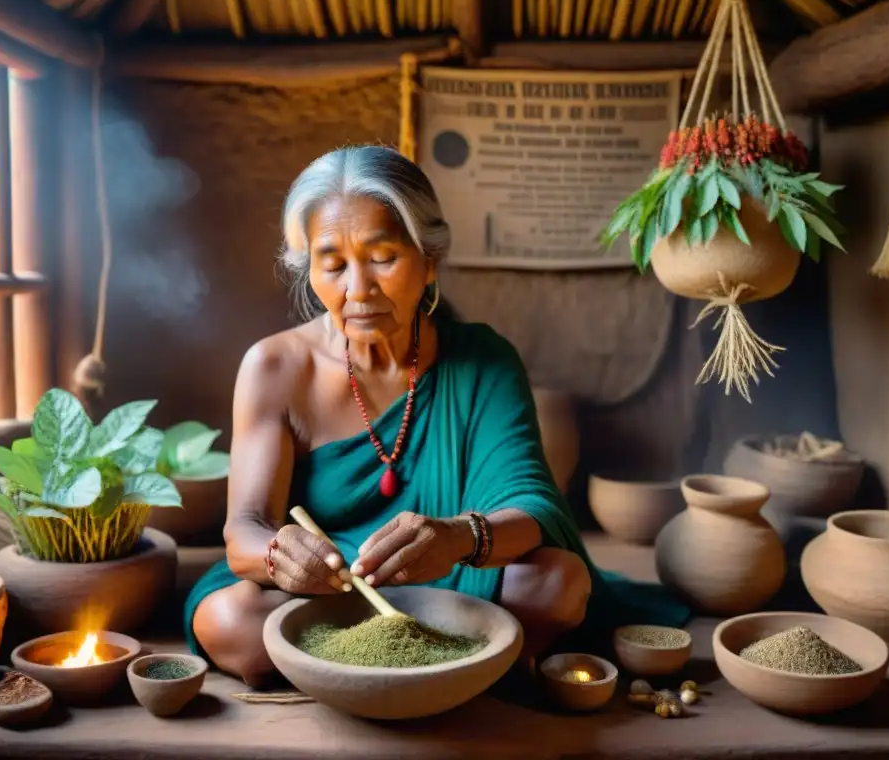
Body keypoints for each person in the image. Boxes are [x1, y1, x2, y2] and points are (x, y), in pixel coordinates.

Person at [184, 145, 689, 687]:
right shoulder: (275, 367)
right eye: (332, 265)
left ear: (429, 260)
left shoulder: (483, 361)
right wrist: (282, 554)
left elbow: (534, 507)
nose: (358, 289)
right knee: (229, 618)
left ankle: (356, 672)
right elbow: (245, 531)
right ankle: (460, 665)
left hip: (454, 577)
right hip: (327, 592)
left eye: (382, 258)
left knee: (557, 584)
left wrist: (457, 538)